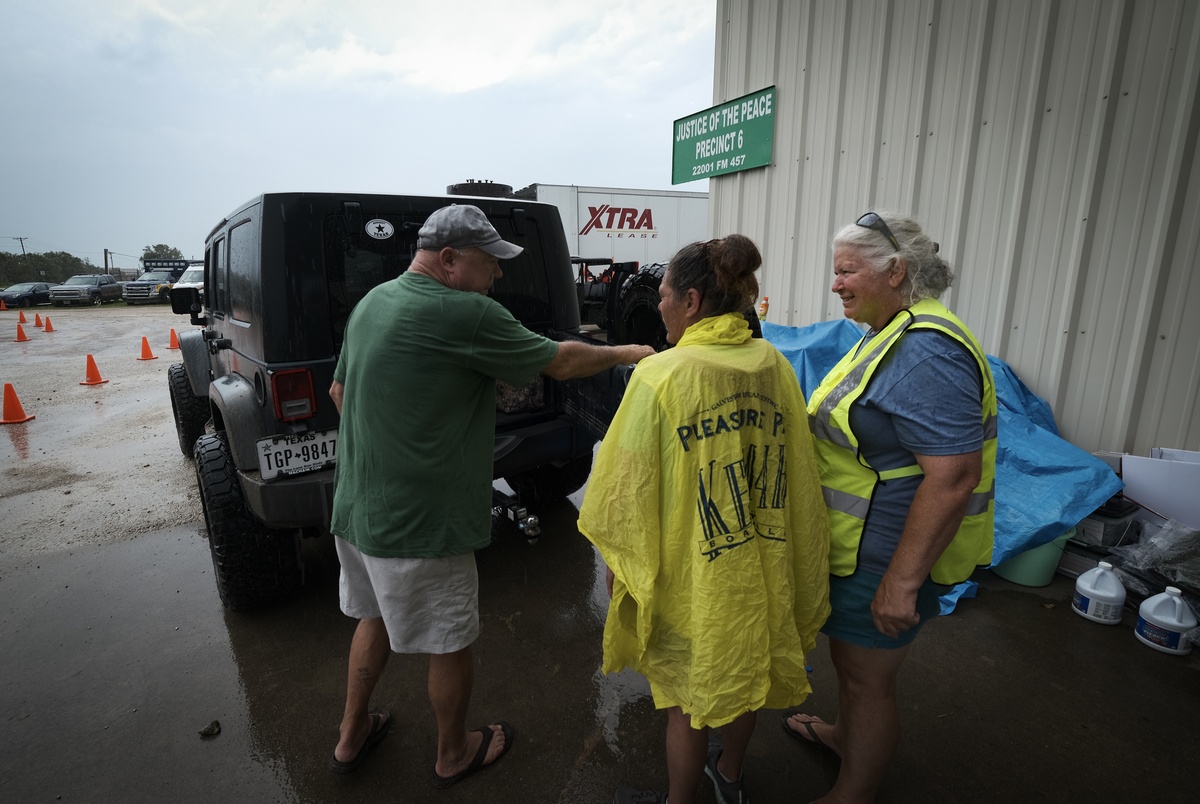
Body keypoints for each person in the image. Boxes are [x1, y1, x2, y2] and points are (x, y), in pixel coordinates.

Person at [326, 204, 655, 787]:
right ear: (448, 260)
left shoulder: (373, 302)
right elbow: (561, 361)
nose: (497, 275)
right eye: (489, 263)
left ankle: (351, 738)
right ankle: (454, 753)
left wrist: (400, 436)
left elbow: (338, 394)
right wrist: (631, 353)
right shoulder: (466, 312)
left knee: (372, 616)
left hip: (357, 507)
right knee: (449, 640)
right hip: (423, 520)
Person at [578, 235, 831, 804]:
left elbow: (625, 493)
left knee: (688, 703)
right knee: (745, 680)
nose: (659, 305)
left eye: (664, 294)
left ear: (691, 302)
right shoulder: (775, 366)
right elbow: (798, 473)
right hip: (761, 564)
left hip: (694, 575)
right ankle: (731, 778)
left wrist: (623, 567)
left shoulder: (662, 376)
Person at [782, 211, 997, 803]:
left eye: (847, 271)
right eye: (837, 271)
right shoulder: (892, 332)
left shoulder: (925, 351)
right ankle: (842, 735)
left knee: (867, 680)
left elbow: (952, 477)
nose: (836, 285)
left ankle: (853, 792)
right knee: (851, 672)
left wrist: (901, 583)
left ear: (896, 270)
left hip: (884, 552)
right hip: (862, 545)